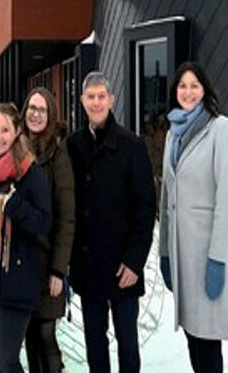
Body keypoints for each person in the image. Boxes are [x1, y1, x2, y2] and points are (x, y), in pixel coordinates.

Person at [67, 71, 155, 373]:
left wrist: (134, 261)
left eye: (101, 96)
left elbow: (146, 209)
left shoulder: (132, 146)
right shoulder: (73, 146)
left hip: (123, 267)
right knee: (95, 343)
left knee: (127, 344)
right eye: (90, 97)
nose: (95, 102)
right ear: (82, 101)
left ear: (111, 99)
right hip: (88, 266)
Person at [159, 62, 228, 373]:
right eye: (182, 86)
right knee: (194, 340)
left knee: (208, 346)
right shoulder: (173, 135)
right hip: (183, 257)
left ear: (205, 89)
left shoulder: (222, 130)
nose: (188, 92)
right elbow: (168, 196)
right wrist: (165, 250)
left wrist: (218, 258)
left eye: (194, 85)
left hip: (207, 256)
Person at [0, 103, 53, 373]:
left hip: (17, 275)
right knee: (1, 360)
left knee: (8, 361)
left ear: (17, 131)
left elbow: (45, 221)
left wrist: (14, 204)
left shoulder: (31, 172)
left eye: (5, 130)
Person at [20, 88, 74, 373]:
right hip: (23, 260)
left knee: (45, 333)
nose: (35, 114)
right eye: (31, 108)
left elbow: (67, 217)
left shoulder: (58, 154)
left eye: (41, 110)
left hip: (47, 261)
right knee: (29, 332)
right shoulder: (17, 149)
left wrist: (58, 270)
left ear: (50, 114)